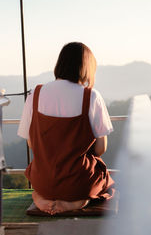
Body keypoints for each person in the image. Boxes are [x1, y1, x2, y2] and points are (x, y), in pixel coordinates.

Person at [17, 42, 114, 215]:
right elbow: (101, 148)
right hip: (78, 183)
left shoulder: (35, 94)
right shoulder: (90, 96)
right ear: (87, 67)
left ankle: (39, 198)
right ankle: (80, 202)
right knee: (106, 182)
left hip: (43, 181)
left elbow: (31, 143)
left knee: (41, 183)